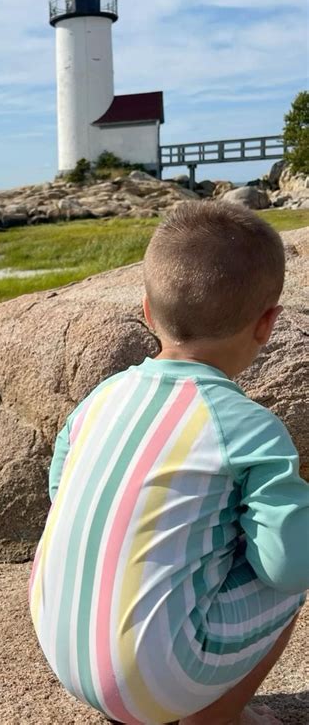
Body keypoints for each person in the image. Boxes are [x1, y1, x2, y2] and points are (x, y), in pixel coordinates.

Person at [28, 201, 308, 725]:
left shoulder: (101, 397)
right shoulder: (247, 426)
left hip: (63, 650)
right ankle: (215, 717)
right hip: (157, 678)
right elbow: (288, 564)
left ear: (147, 312)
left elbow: (58, 487)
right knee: (287, 571)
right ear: (267, 324)